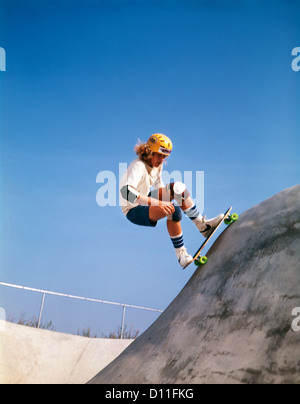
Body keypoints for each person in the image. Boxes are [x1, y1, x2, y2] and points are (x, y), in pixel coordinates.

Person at [120, 133, 224, 267]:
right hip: (133, 210)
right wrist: (160, 203)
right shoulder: (138, 166)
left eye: (164, 156)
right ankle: (181, 254)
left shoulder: (157, 165)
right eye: (159, 155)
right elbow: (126, 193)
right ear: (150, 152)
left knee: (178, 188)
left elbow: (159, 187)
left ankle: (203, 226)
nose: (162, 160)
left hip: (147, 198)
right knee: (173, 211)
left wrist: (178, 196)